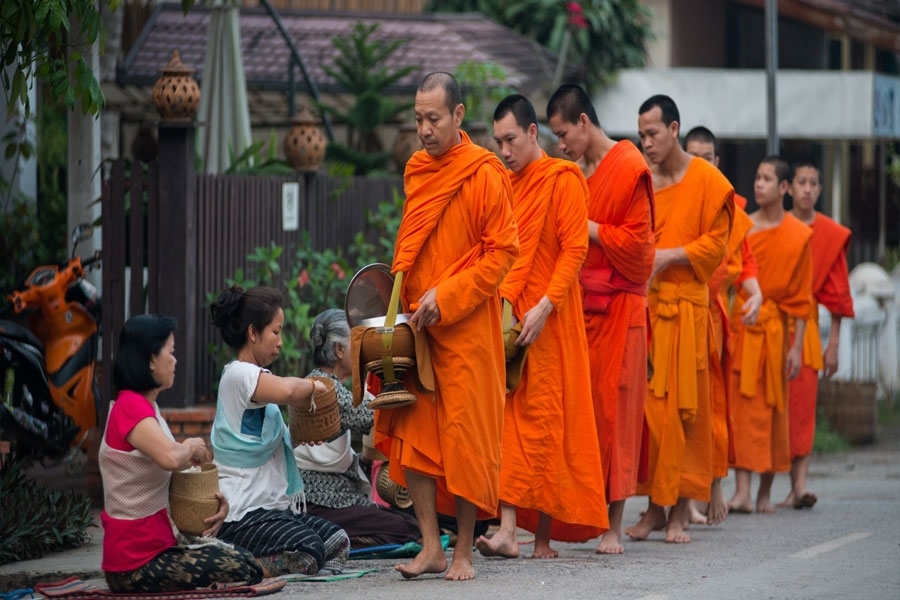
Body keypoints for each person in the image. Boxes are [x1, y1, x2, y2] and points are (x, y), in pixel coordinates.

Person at [372, 71, 519, 581]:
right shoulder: (417, 170)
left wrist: (448, 295)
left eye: (433, 119)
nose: (425, 129)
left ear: (458, 116)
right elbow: (412, 245)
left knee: (465, 441)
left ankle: (464, 551)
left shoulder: (485, 172)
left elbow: (503, 253)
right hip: (419, 326)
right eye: (418, 120)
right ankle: (431, 545)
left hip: (467, 329)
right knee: (415, 437)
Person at [474, 94, 607, 560]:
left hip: (551, 319)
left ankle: (544, 539)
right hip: (511, 319)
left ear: (533, 133)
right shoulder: (505, 184)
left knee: (548, 422)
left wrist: (546, 306)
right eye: (498, 142)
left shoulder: (563, 178)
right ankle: (508, 527)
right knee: (508, 423)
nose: (504, 150)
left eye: (511, 139)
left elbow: (575, 249)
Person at [544, 83, 655, 554]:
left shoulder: (630, 166)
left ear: (584, 123)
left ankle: (614, 523)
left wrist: (589, 230)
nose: (561, 144)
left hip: (621, 310)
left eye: (564, 133)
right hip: (578, 311)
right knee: (581, 415)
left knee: (616, 417)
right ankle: (581, 514)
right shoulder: (572, 173)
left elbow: (642, 253)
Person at [625, 95, 733, 544]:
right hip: (652, 313)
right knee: (652, 416)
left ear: (673, 129)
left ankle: (676, 514)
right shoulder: (644, 181)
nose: (645, 143)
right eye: (641, 134)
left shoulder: (709, 180)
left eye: (652, 133)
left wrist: (668, 256)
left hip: (689, 314)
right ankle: (653, 507)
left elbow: (717, 245)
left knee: (686, 416)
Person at [100, 315, 262, 593]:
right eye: (171, 353)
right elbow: (171, 458)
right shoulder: (130, 406)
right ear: (151, 359)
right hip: (134, 563)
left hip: (156, 548)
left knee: (245, 561)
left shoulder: (146, 409)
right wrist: (190, 446)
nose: (175, 361)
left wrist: (214, 509)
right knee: (242, 566)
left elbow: (173, 469)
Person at [209, 285, 350, 577]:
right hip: (243, 512)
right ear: (252, 333)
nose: (281, 342)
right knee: (308, 549)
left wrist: (297, 439)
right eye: (276, 332)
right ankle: (237, 567)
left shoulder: (256, 378)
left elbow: (266, 442)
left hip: (271, 510)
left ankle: (302, 569)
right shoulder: (239, 374)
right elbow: (288, 390)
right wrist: (317, 384)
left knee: (338, 541)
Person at [683, 126, 763, 526]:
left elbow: (744, 264)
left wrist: (758, 294)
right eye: (693, 154)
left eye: (708, 156)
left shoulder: (731, 208)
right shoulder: (676, 197)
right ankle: (676, 498)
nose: (701, 162)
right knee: (675, 408)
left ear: (717, 162)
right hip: (676, 313)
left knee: (711, 407)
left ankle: (710, 487)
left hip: (711, 318)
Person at [727, 156, 813, 514]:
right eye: (756, 177)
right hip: (744, 325)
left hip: (777, 330)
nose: (758, 184)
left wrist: (796, 347)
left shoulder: (798, 235)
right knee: (743, 410)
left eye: (766, 179)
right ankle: (742, 491)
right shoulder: (742, 226)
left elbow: (802, 297)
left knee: (775, 411)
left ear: (783, 188)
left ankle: (764, 492)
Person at [295, 308, 420, 546]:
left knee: (404, 520)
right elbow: (380, 414)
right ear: (339, 350)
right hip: (322, 502)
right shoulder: (330, 392)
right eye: (357, 342)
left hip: (331, 497)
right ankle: (336, 539)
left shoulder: (320, 382)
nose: (362, 350)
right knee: (407, 528)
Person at [778, 159, 854, 509]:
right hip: (770, 323)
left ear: (820, 190)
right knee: (768, 407)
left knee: (803, 405)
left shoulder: (829, 233)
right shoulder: (775, 223)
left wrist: (833, 344)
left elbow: (837, 294)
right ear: (789, 187)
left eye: (813, 184)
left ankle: (800, 486)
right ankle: (764, 487)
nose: (807, 189)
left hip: (805, 327)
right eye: (801, 182)